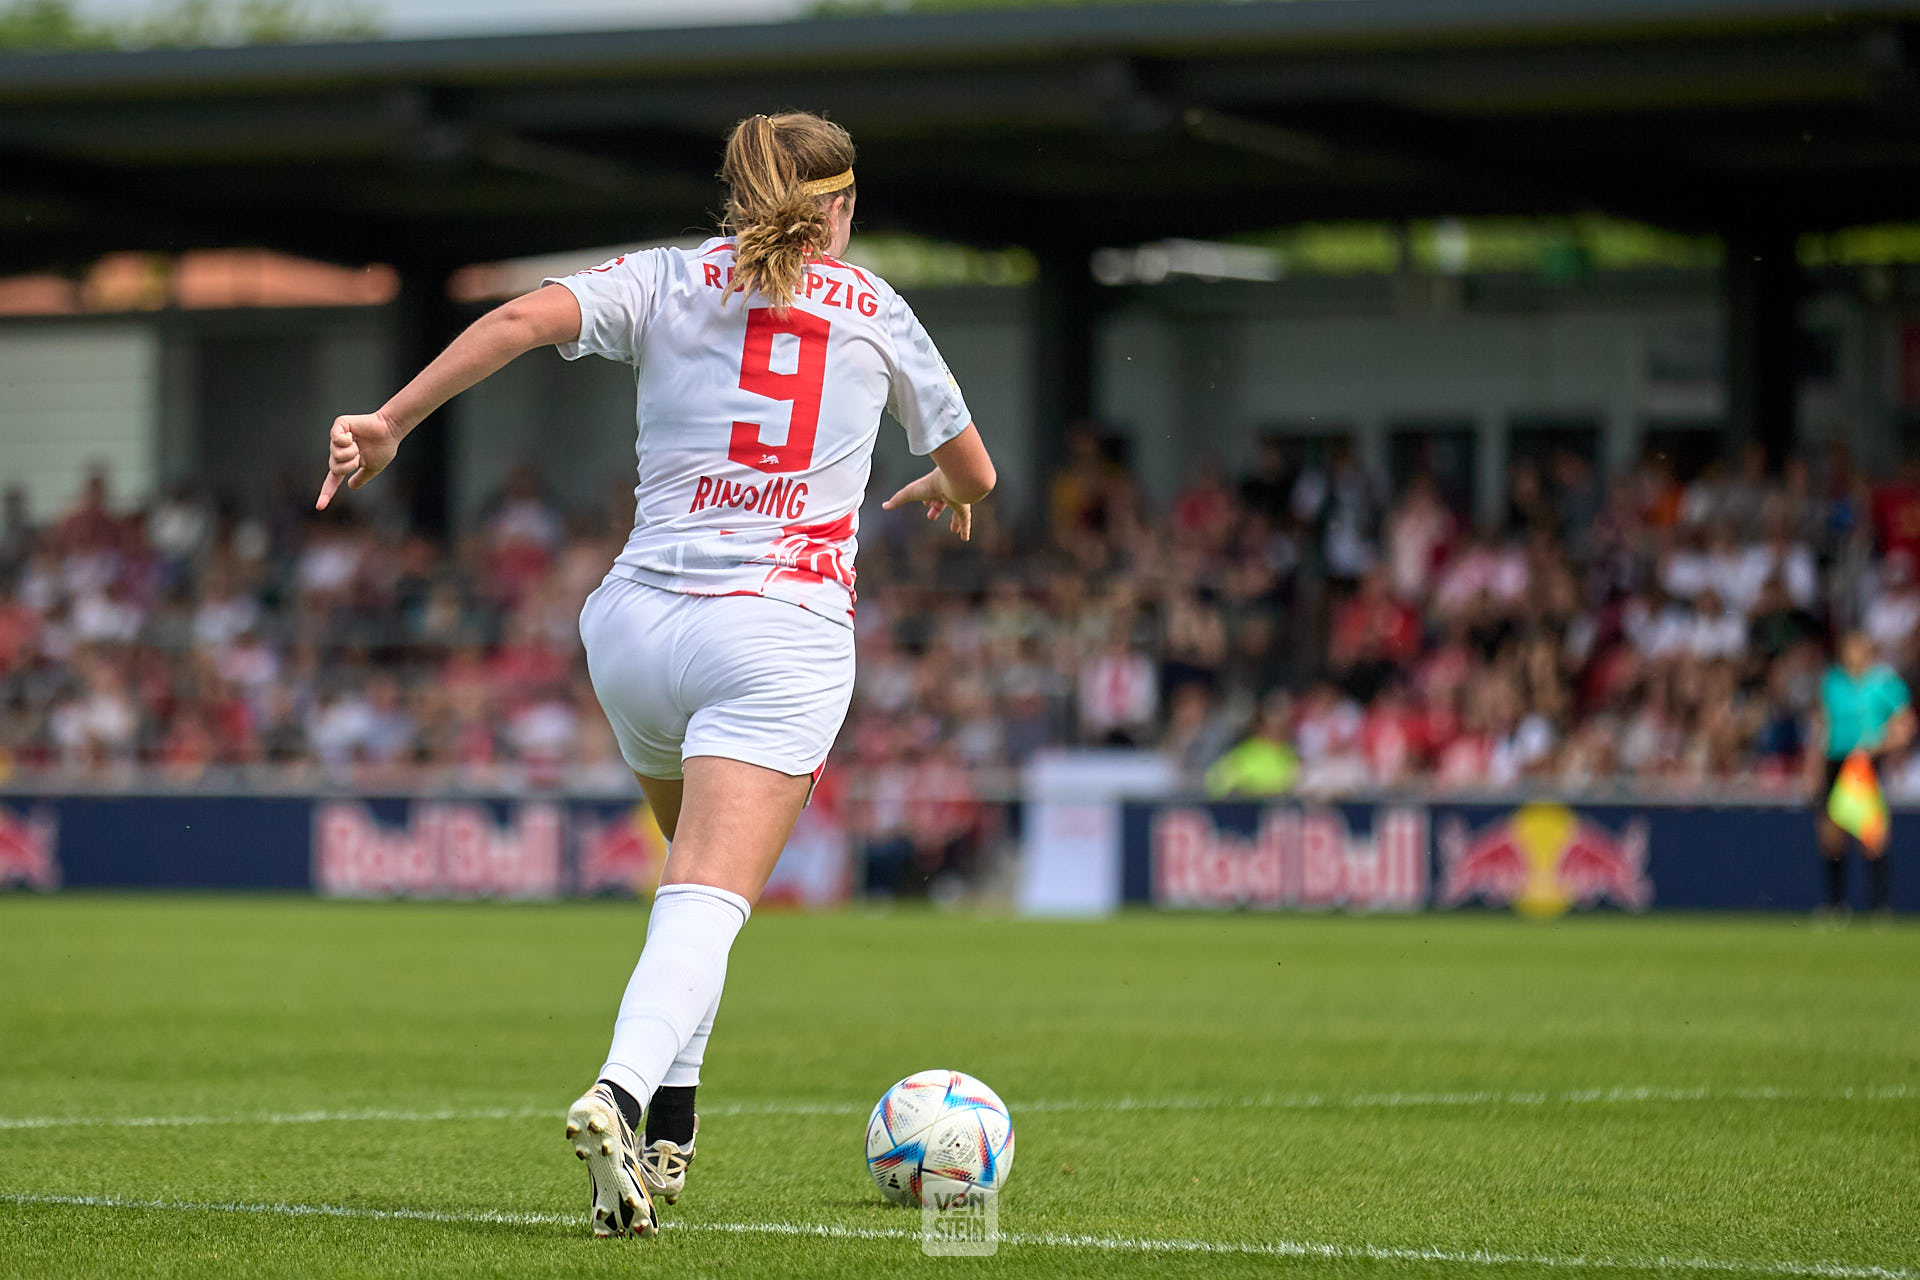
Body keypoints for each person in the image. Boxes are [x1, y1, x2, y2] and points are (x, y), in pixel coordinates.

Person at [315, 111, 995, 1238]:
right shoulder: (878, 308)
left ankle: (673, 1114)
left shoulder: (669, 278)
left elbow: (523, 317)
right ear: (839, 206)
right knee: (706, 902)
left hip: (632, 632)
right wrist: (949, 492)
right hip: (776, 631)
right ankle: (623, 1092)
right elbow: (970, 466)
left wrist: (389, 423)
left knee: (688, 879)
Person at [1808, 630, 1913, 923]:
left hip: (1865, 764)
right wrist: (1814, 767)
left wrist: (1876, 746)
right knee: (1831, 834)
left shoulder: (1884, 682)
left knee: (1871, 833)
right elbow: (1822, 726)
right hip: (1836, 761)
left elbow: (1904, 726)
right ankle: (1835, 904)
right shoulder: (1833, 682)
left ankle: (1879, 905)